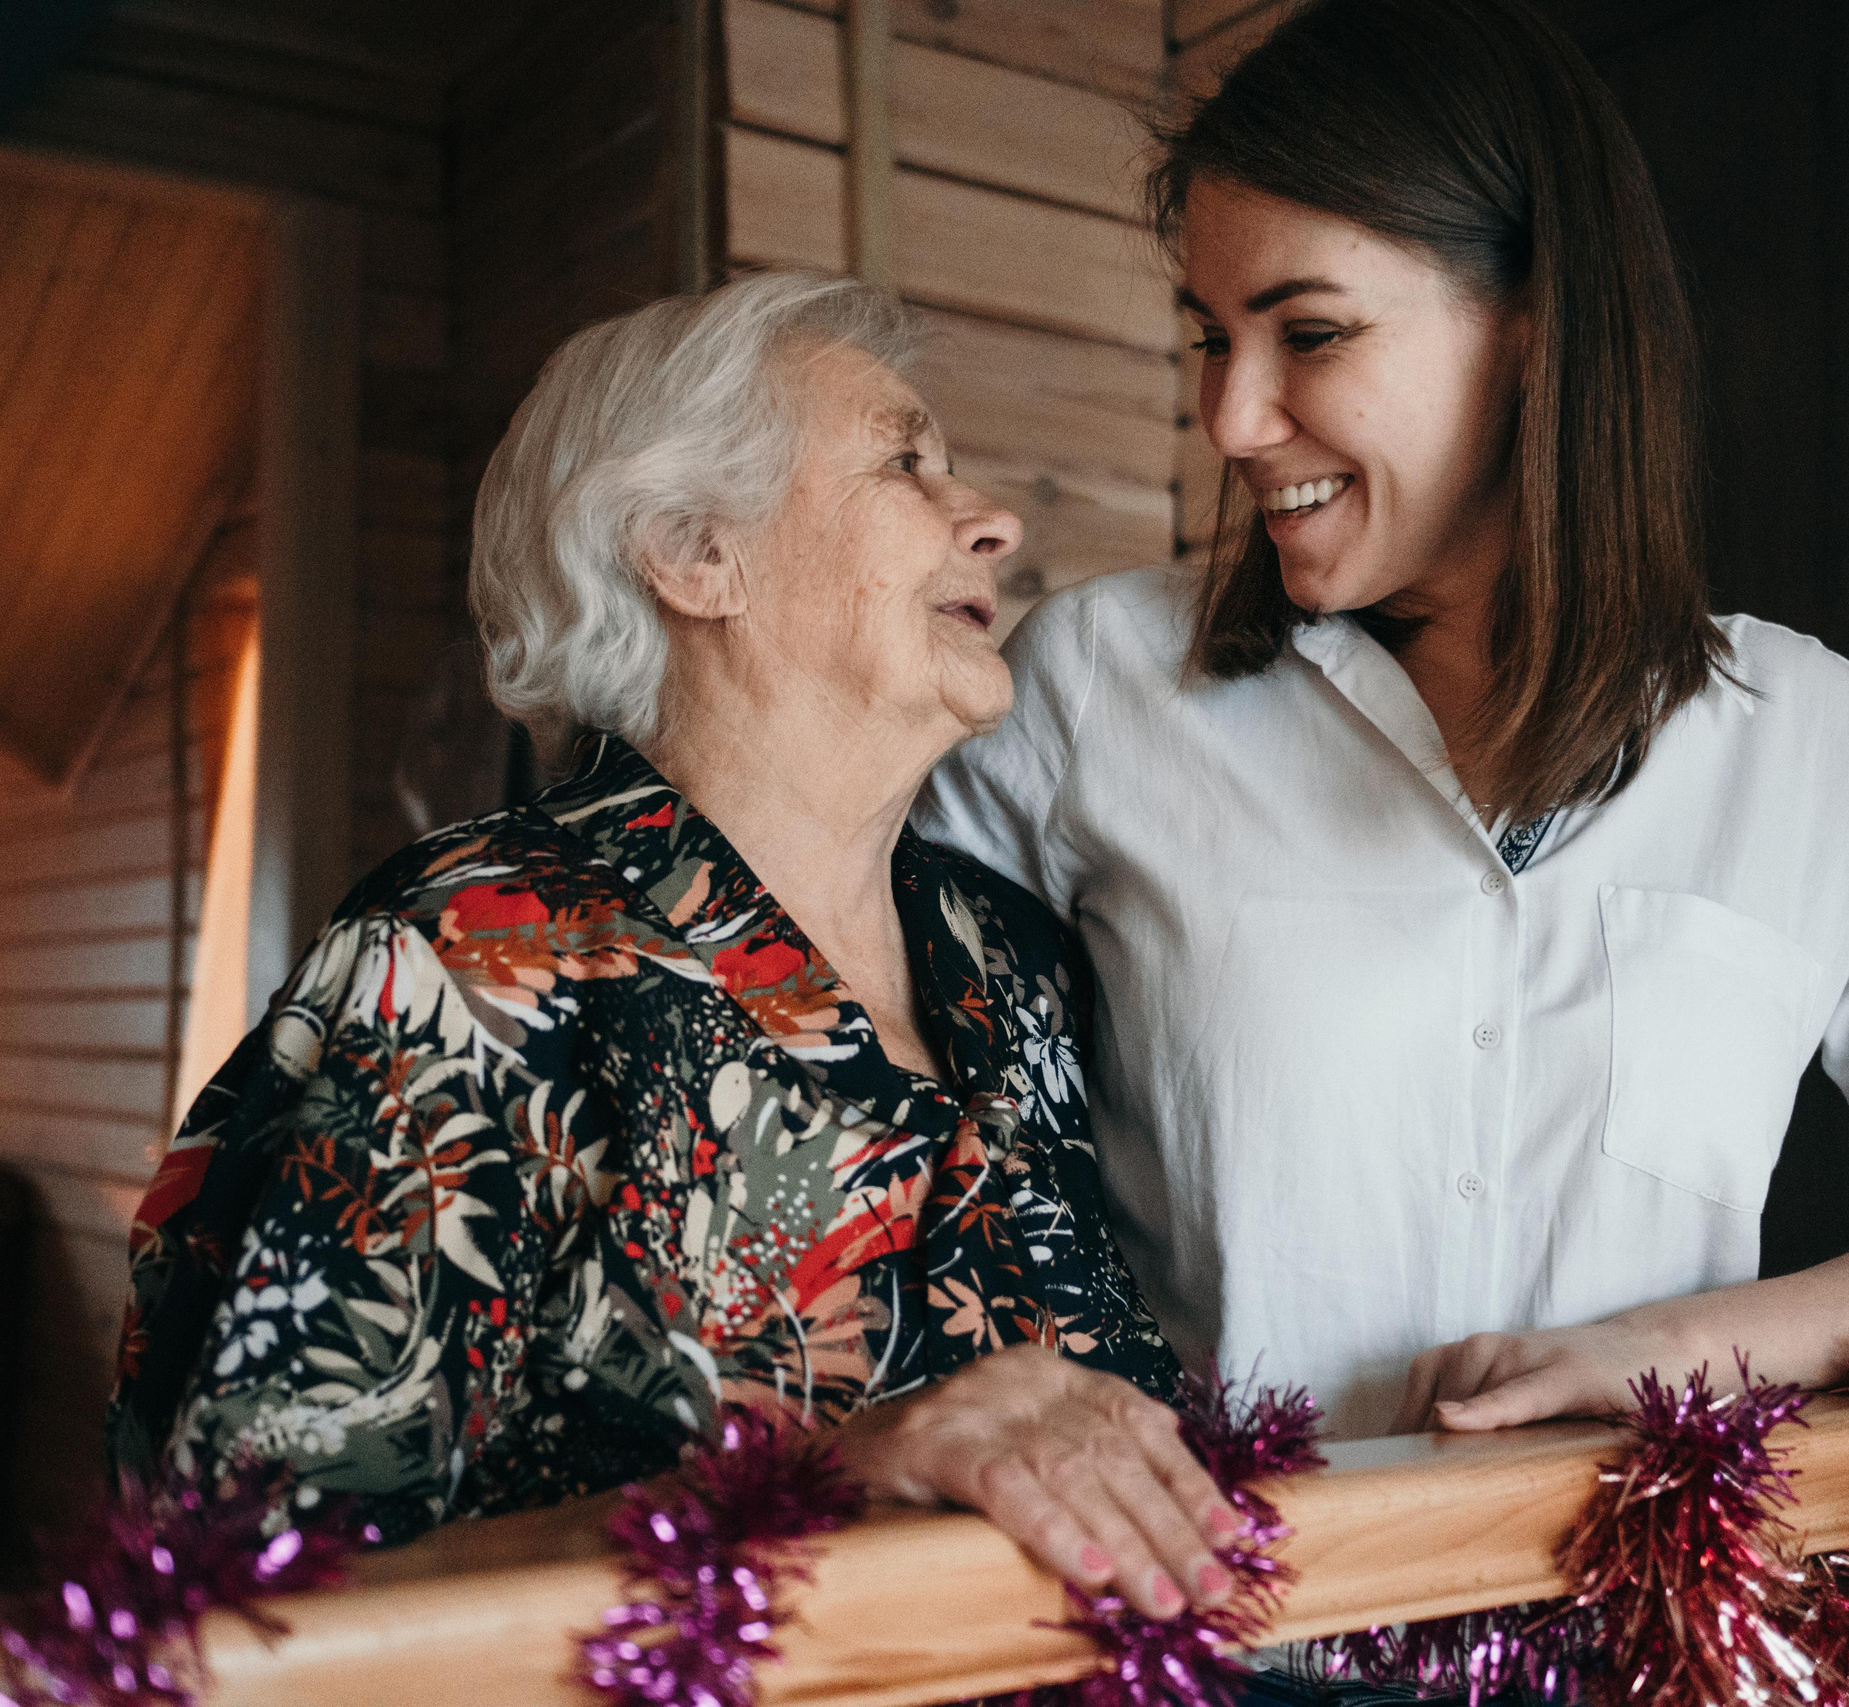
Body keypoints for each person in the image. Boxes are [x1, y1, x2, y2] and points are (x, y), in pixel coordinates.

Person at [919, 0, 1849, 1459]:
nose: (1235, 418)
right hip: (1211, 1654)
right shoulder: (1093, 683)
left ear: (1530, 326)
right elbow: (850, 1086)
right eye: (1210, 336)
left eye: (1309, 332)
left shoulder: (1814, 744)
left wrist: (1676, 1351)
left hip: (1645, 1652)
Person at [108, 271, 1248, 1624]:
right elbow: (254, 1583)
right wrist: (836, 1468)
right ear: (696, 552)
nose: (992, 521)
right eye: (905, 463)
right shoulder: (469, 962)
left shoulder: (1009, 954)